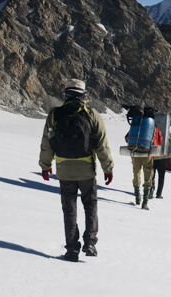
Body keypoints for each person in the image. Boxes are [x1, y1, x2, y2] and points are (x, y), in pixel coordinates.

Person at [39, 79, 114, 262]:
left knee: (69, 209)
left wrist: (45, 166)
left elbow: (47, 143)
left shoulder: (54, 115)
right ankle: (90, 242)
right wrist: (108, 167)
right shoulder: (92, 114)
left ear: (65, 95)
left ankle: (72, 249)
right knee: (90, 204)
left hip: (64, 170)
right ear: (83, 96)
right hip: (86, 169)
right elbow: (102, 144)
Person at [129, 107, 162, 210]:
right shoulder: (154, 128)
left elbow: (127, 138)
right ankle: (145, 202)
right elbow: (159, 143)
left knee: (136, 174)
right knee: (148, 177)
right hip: (147, 155)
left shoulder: (137, 124)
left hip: (135, 153)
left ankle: (137, 197)